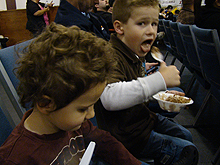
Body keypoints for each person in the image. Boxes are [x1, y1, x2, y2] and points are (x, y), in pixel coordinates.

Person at [0, 23, 150, 165]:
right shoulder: (16, 158)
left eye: (92, 106)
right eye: (83, 109)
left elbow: (104, 141)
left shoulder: (72, 123)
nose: (91, 114)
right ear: (46, 103)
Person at [94, 0, 199, 164]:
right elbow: (110, 97)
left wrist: (160, 94)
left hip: (143, 119)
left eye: (154, 24)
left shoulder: (133, 51)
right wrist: (160, 80)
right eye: (142, 23)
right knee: (187, 151)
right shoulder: (111, 55)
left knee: (185, 135)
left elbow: (133, 87)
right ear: (120, 27)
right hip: (128, 135)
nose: (151, 31)